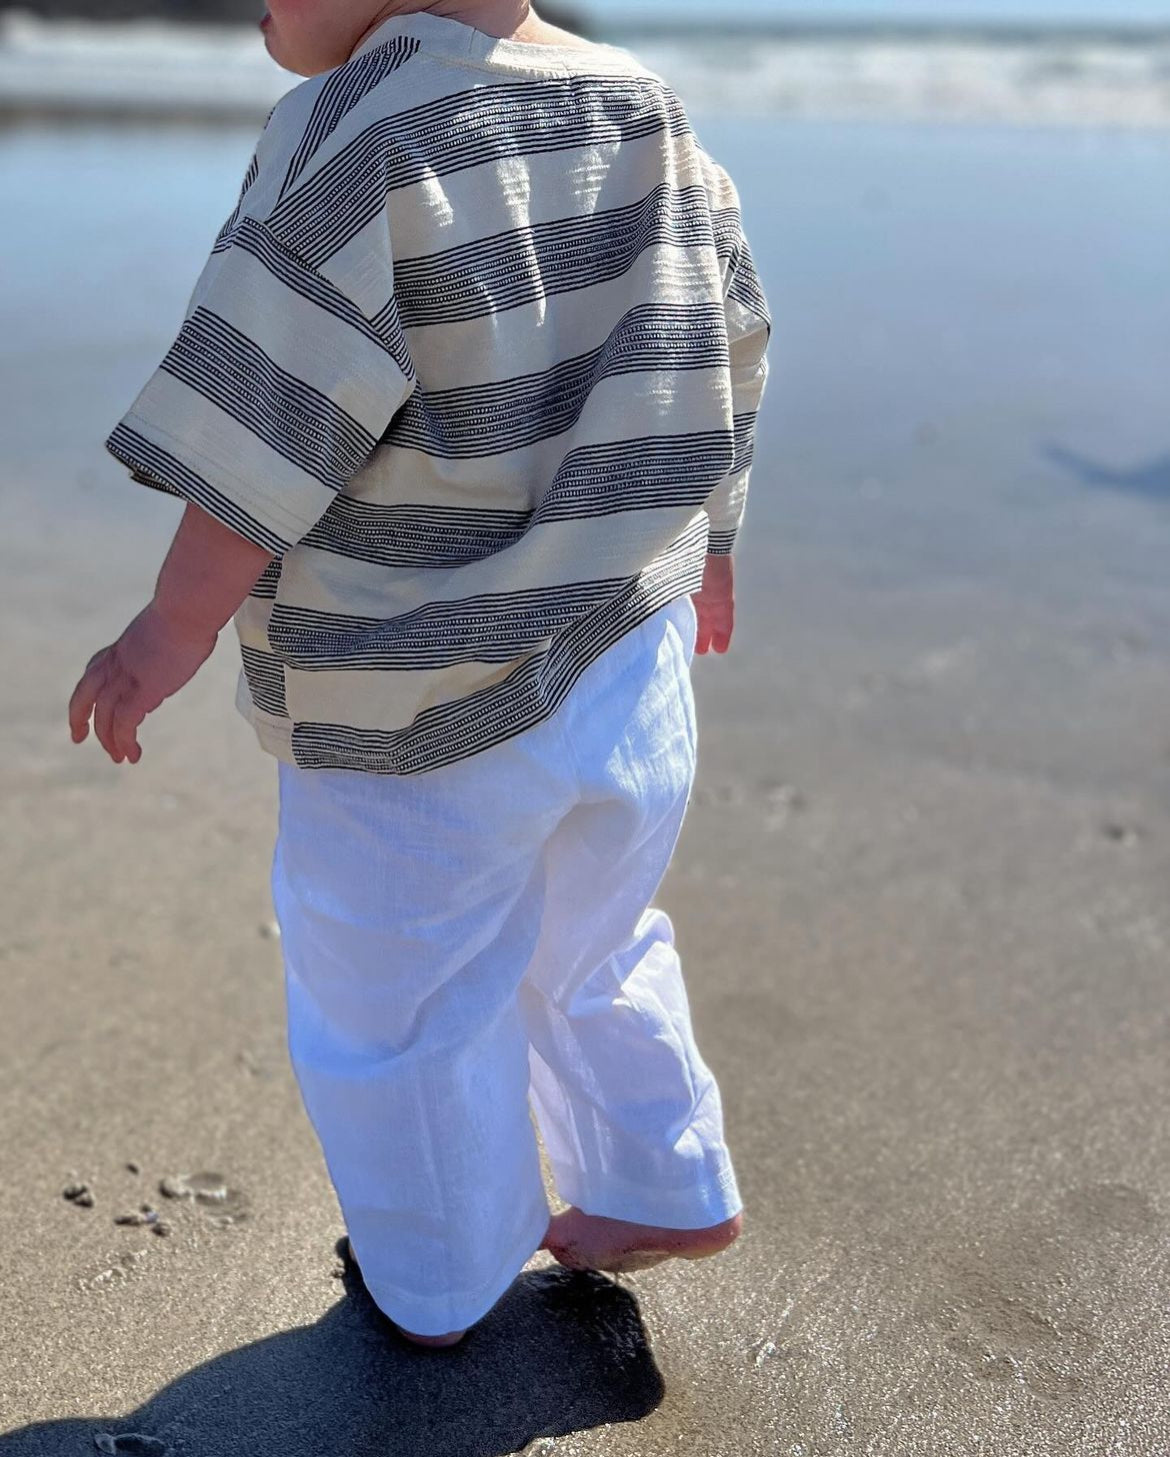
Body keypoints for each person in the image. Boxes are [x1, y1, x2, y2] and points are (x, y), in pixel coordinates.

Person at [67, 0, 771, 1349]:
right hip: (628, 652)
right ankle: (659, 1178)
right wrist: (716, 544)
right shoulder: (645, 106)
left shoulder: (362, 130)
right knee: (595, 937)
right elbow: (719, 344)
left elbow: (274, 405)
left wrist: (168, 629)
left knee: (394, 1001)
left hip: (417, 694)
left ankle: (440, 1276)